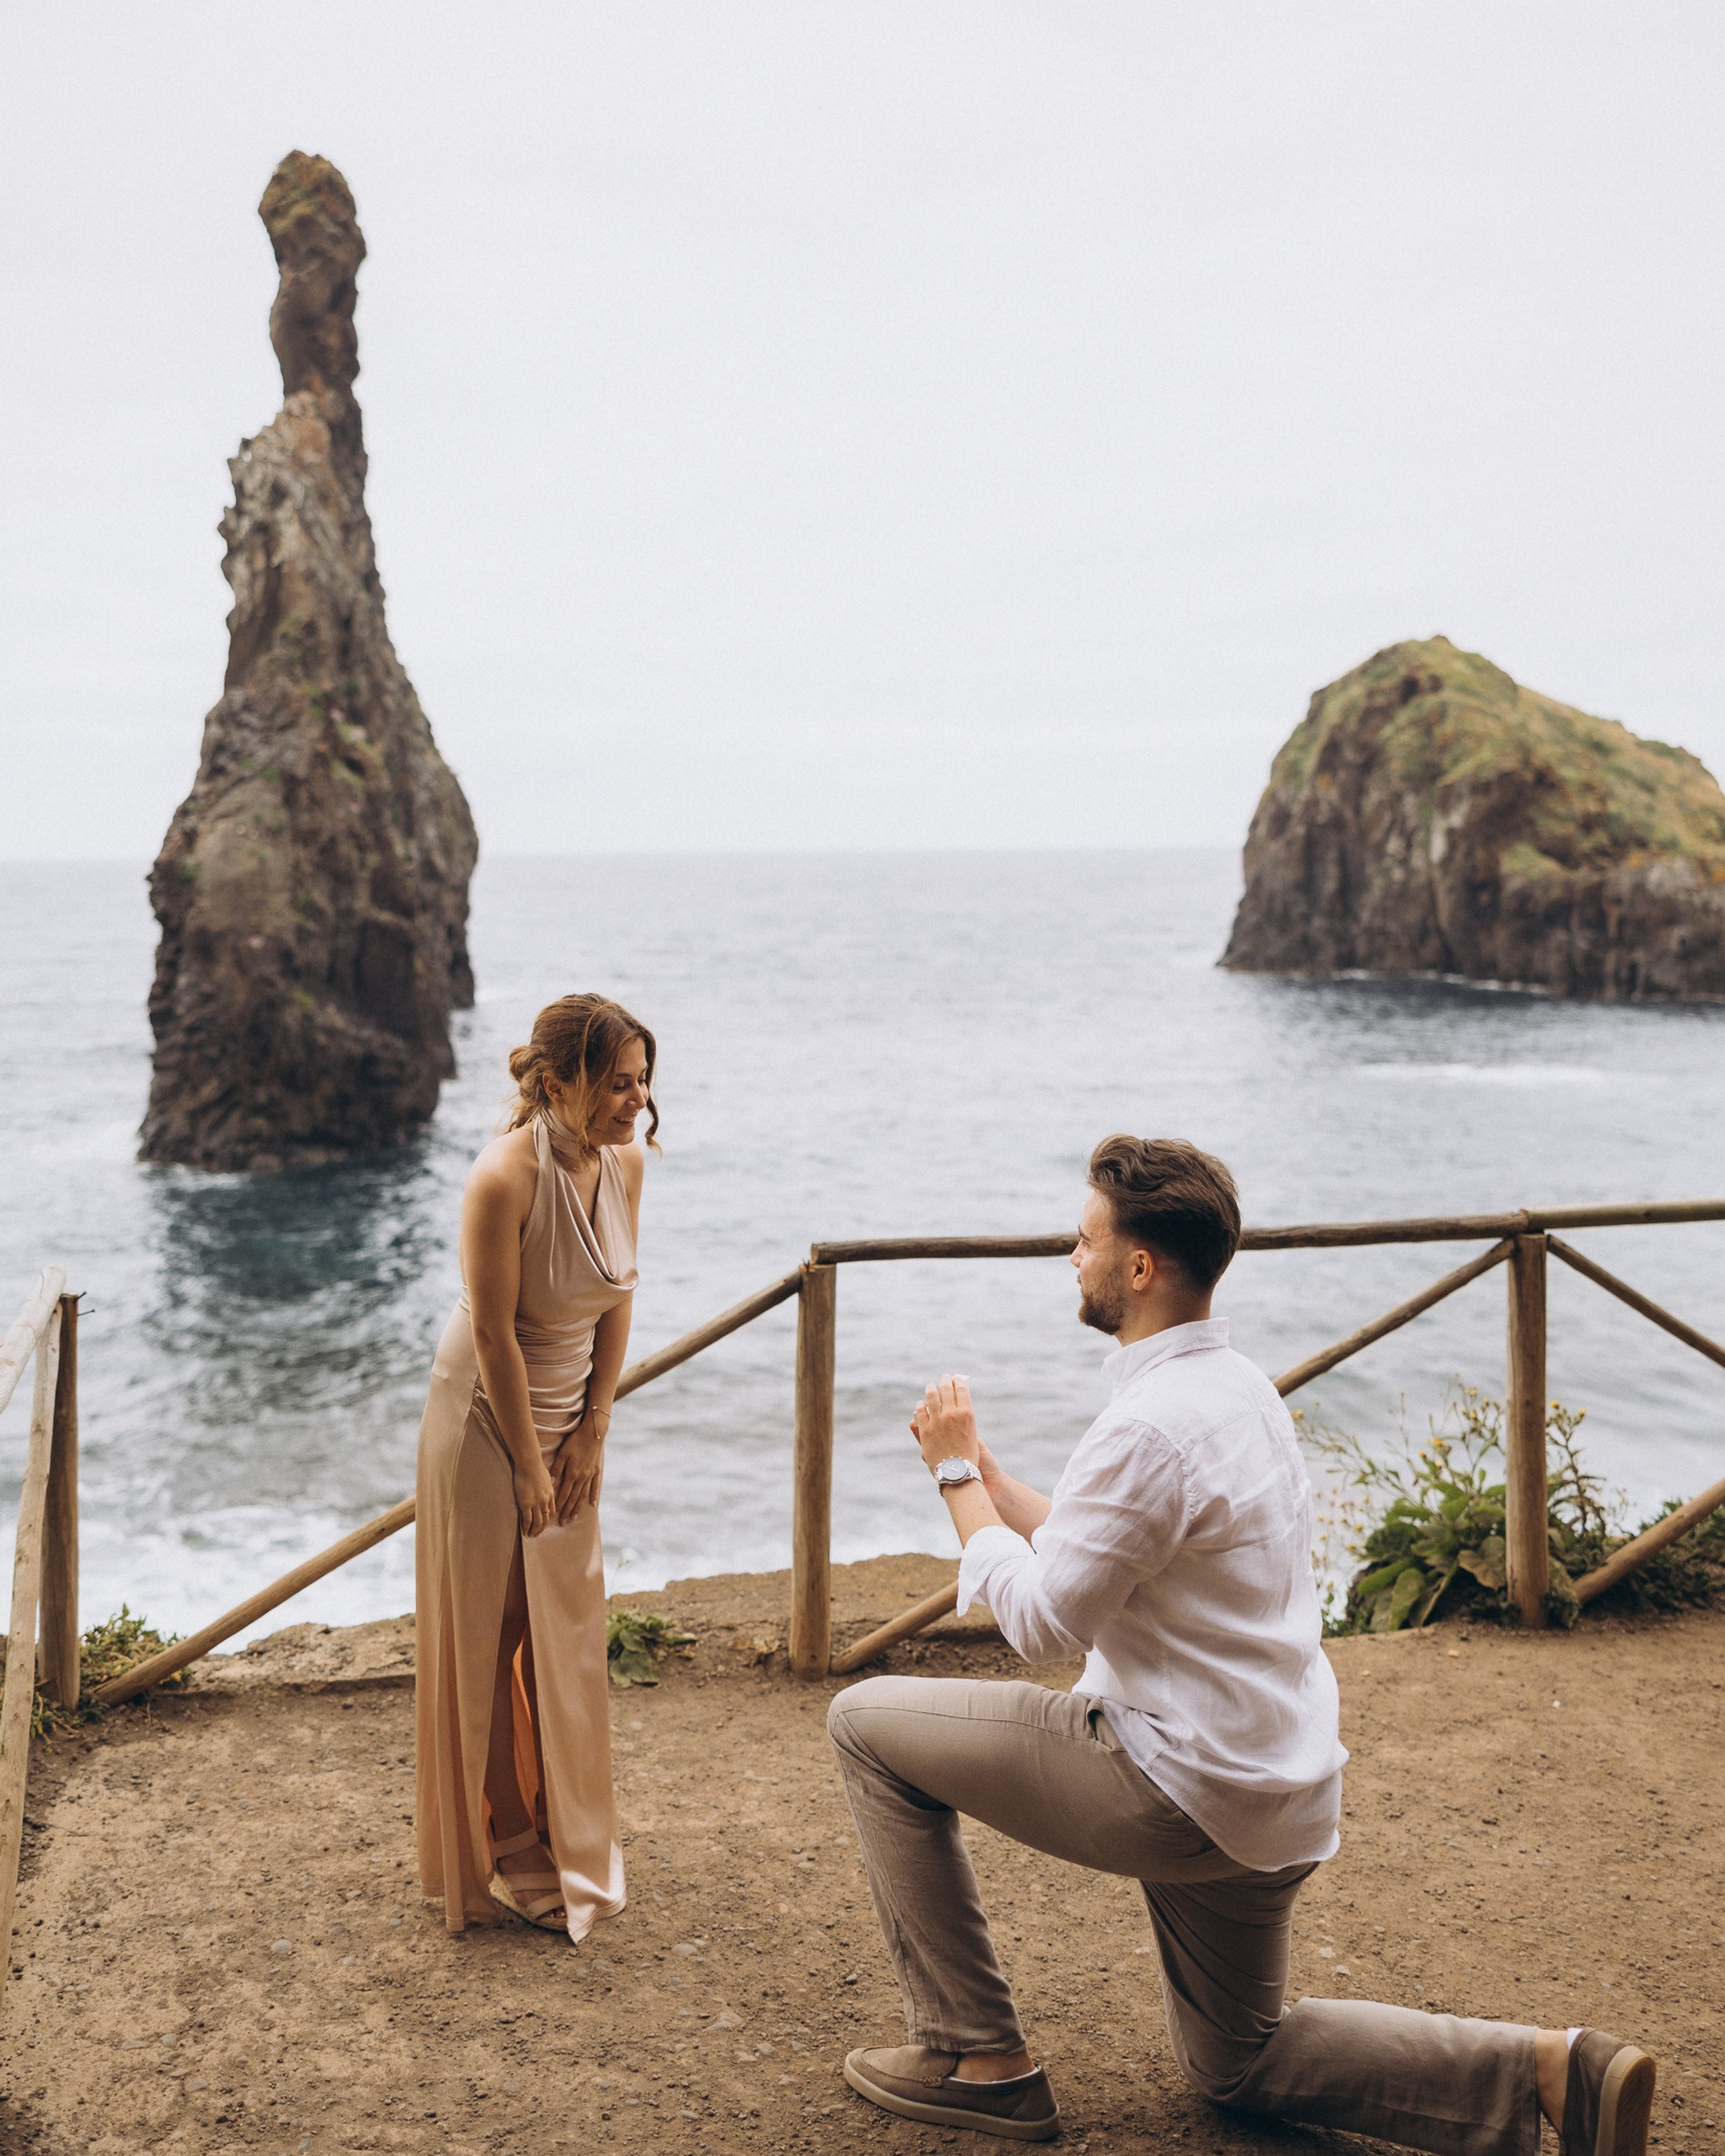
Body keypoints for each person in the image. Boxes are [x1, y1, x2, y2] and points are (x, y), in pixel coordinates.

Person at [827, 1134, 1656, 2156]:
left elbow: (1043, 1623)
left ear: (1140, 1268)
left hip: (1174, 1787)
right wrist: (994, 1479)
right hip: (1277, 1790)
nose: (1071, 1258)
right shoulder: (1240, 1394)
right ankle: (1552, 2076)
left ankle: (977, 2059)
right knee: (1238, 2060)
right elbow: (1111, 1548)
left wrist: (953, 1481)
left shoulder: (1145, 1428)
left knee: (862, 1723)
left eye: (1084, 1240)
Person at [415, 993, 654, 1943]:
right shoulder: (501, 1180)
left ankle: (554, 1823)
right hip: (484, 1419)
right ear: (556, 1084)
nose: (633, 1102)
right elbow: (492, 1333)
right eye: (614, 1083)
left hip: (567, 1421)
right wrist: (525, 1461)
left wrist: (594, 1427)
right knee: (495, 1631)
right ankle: (507, 1835)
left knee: (555, 1627)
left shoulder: (627, 1162)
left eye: (641, 1082)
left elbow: (619, 1295)